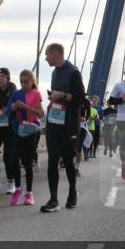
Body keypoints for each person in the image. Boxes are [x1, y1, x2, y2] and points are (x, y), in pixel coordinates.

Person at [41, 43, 87, 212]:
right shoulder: (54, 72)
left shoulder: (73, 72)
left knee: (68, 161)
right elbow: (56, 95)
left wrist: (63, 96)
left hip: (69, 125)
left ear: (55, 54)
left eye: (47, 54)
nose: (45, 58)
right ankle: (53, 200)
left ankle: (72, 192)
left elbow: (81, 99)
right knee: (52, 159)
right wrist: (52, 101)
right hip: (54, 123)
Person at [5, 69, 44, 206]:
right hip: (18, 130)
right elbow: (7, 111)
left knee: (27, 163)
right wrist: (14, 107)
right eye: (21, 82)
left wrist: (25, 107)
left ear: (32, 81)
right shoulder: (16, 94)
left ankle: (29, 193)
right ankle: (18, 189)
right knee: (14, 159)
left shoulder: (36, 93)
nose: (23, 85)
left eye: (26, 82)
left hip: (31, 131)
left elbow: (41, 113)